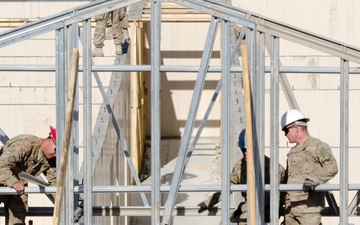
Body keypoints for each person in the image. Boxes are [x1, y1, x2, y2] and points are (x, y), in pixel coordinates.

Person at [197, 129, 286, 224]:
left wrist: (242, 208)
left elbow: (267, 200)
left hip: (268, 209)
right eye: (243, 150)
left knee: (243, 220)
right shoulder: (240, 165)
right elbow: (228, 187)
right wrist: (208, 202)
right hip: (249, 207)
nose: (245, 153)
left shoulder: (272, 168)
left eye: (248, 150)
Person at [280, 109, 338, 225]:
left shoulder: (318, 147)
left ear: (296, 128)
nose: (285, 134)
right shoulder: (293, 152)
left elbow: (332, 167)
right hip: (291, 208)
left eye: (286, 130)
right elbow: (288, 179)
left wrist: (313, 179)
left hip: (308, 209)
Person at [0, 126, 57, 225]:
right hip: (3, 181)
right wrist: (13, 182)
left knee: (17, 220)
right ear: (49, 141)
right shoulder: (25, 144)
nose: (56, 154)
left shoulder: (50, 158)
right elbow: (1, 165)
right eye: (56, 150)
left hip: (17, 188)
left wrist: (63, 203)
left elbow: (55, 182)